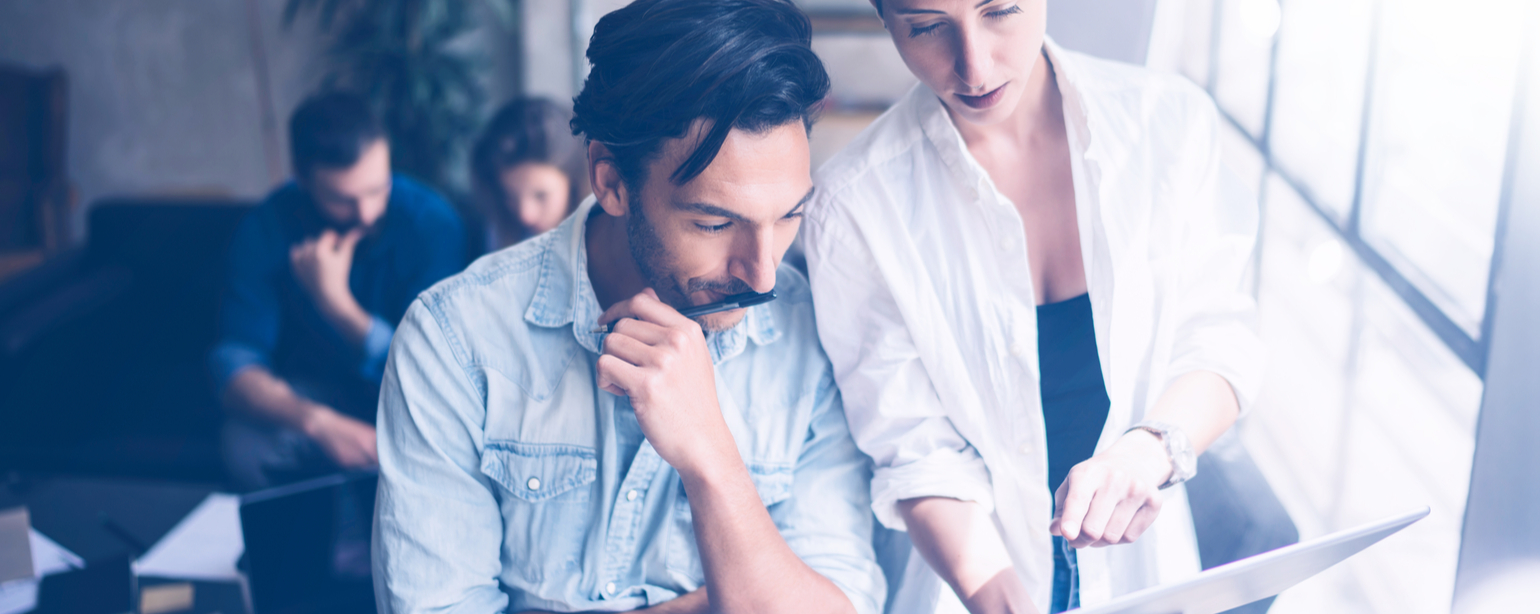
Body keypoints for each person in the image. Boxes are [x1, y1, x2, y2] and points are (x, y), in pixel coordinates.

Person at [371, 1, 883, 613]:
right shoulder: (455, 341)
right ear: (611, 180)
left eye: (788, 216)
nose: (762, 271)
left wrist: (711, 458)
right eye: (716, 223)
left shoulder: (816, 333)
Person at [802, 1, 1264, 613]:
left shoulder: (1169, 124)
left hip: (1144, 578)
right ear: (885, 20)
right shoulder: (854, 206)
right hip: (968, 585)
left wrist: (1148, 449)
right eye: (927, 27)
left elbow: (1217, 339)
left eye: (1000, 10)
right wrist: (996, 597)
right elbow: (915, 449)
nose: (975, 66)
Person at [210, 91, 467, 491]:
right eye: (342, 200)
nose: (366, 213)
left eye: (377, 189)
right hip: (315, 397)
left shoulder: (432, 223)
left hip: (409, 397)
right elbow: (235, 365)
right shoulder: (265, 227)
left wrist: (336, 304)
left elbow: (434, 370)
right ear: (301, 178)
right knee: (243, 443)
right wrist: (318, 422)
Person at [470, 97, 590, 252]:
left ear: (574, 181)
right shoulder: (497, 231)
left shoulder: (602, 242)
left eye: (541, 195)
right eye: (510, 196)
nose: (525, 215)